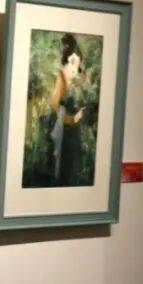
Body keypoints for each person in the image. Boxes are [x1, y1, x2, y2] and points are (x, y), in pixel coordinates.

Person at [49, 33, 86, 186]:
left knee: (76, 169)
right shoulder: (62, 76)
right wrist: (72, 119)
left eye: (77, 61)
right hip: (65, 131)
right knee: (66, 169)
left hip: (77, 131)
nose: (75, 66)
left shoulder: (80, 76)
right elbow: (54, 104)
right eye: (72, 61)